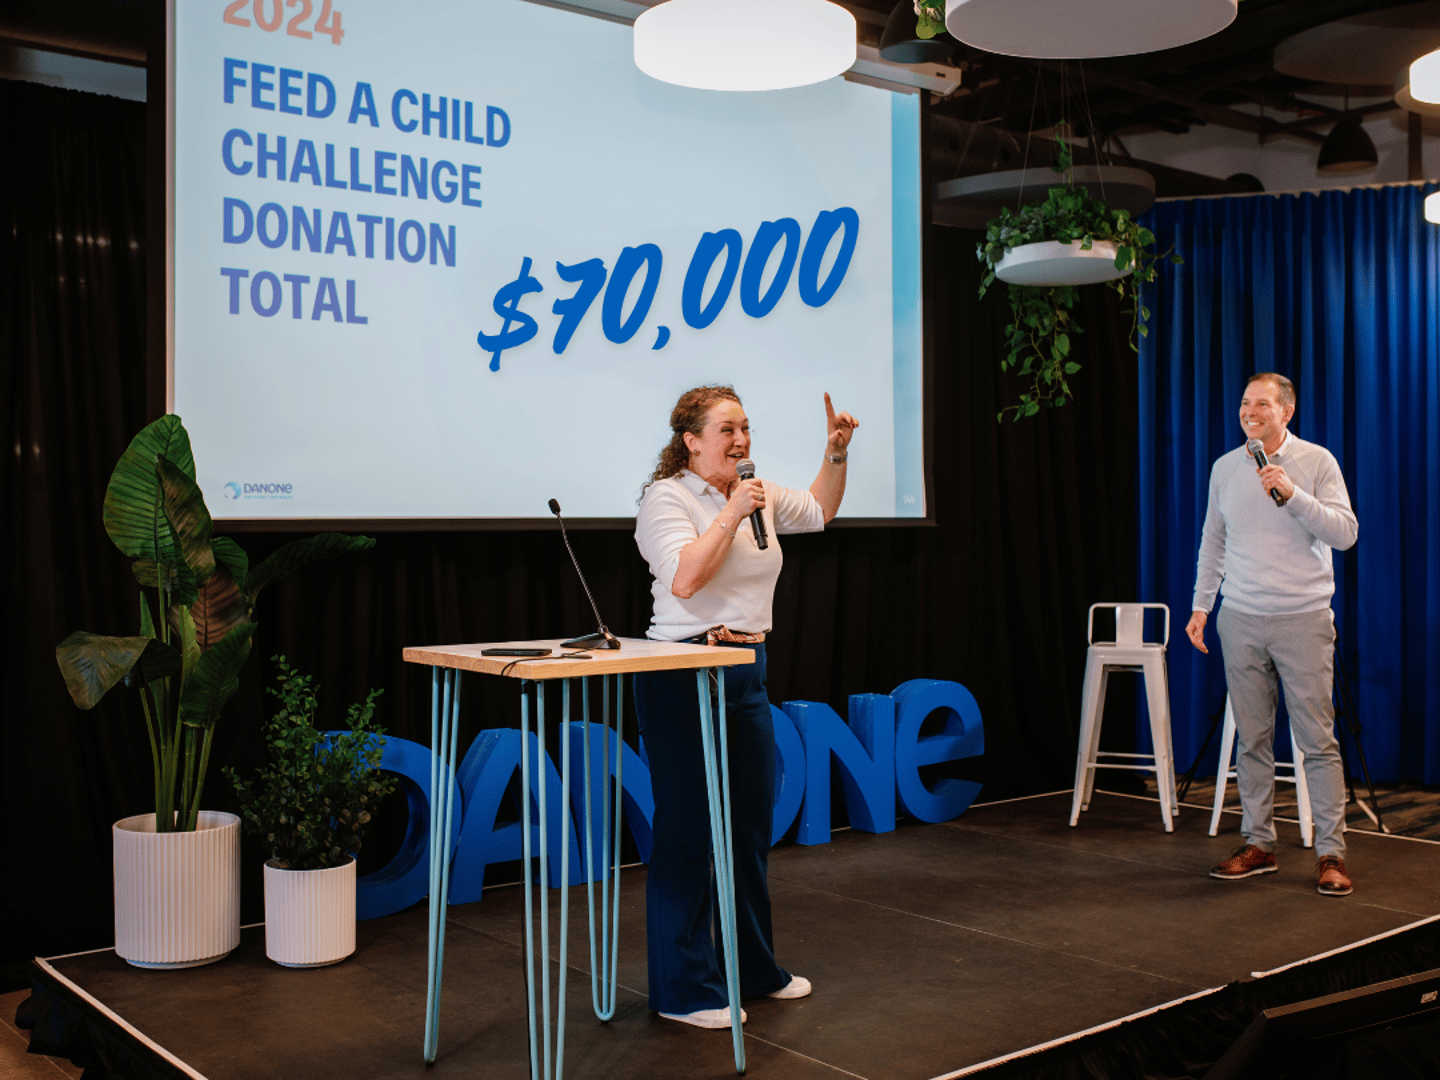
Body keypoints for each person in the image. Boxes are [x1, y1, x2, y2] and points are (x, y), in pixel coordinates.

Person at [633, 384, 857, 1029]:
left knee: (749, 828)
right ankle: (684, 991)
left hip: (745, 669)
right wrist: (731, 512)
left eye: (746, 428)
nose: (741, 441)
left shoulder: (753, 491)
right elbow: (685, 579)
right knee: (689, 835)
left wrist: (835, 453)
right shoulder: (666, 499)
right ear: (691, 440)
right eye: (727, 430)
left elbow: (818, 510)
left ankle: (753, 970)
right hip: (684, 673)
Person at [1185, 372, 1358, 897]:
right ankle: (1259, 843)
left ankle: (1332, 853)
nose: (1249, 411)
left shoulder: (1316, 462)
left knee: (1316, 742)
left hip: (1302, 619)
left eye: (1261, 403)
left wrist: (1293, 493)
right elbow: (1213, 541)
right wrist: (1200, 607)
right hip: (1239, 618)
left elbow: (1345, 534)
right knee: (1252, 739)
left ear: (1287, 411)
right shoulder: (1224, 468)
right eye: (1244, 402)